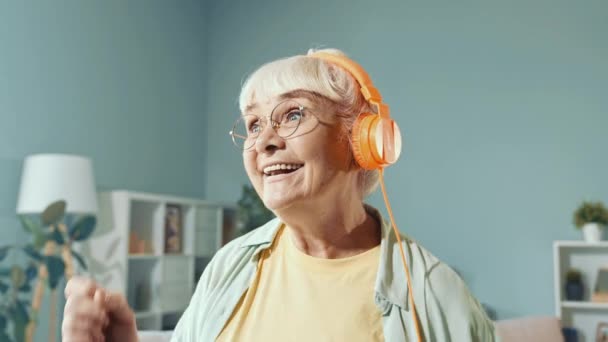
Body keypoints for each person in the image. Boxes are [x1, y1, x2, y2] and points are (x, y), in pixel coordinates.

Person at [62, 48, 498, 341]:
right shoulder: (231, 265)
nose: (264, 141)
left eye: (292, 114)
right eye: (253, 124)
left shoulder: (433, 292)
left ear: (362, 140)